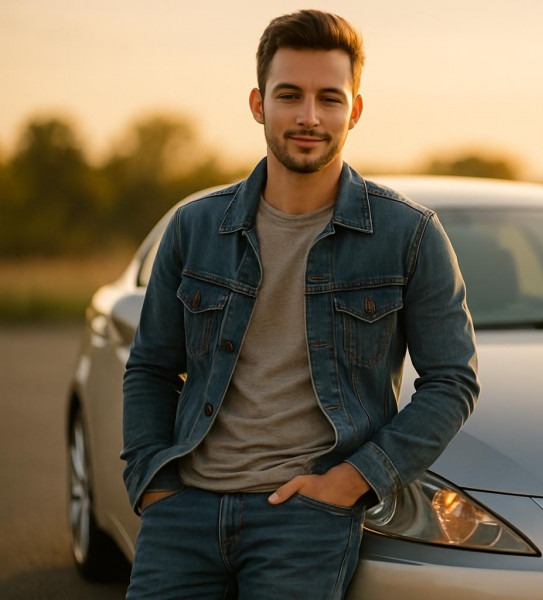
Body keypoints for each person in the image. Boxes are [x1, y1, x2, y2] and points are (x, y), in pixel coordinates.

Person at [121, 10, 479, 599]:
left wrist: (355, 480)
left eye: (329, 99)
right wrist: (152, 483)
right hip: (184, 510)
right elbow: (151, 367)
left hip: (304, 519)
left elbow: (452, 380)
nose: (309, 117)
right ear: (259, 104)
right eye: (290, 96)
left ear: (355, 110)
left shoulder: (408, 235)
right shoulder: (195, 227)